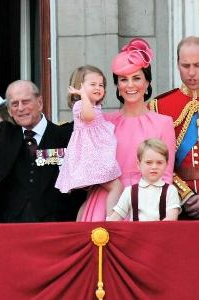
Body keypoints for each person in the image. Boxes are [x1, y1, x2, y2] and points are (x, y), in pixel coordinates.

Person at [0, 55, 86, 223]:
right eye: (14, 104)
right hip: (10, 227)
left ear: (39, 103)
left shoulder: (64, 134)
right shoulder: (5, 135)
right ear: (9, 111)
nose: (21, 108)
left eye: (26, 102)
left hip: (55, 226)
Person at [79, 38, 176, 221]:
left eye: (136, 78)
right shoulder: (104, 121)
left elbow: (166, 176)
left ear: (147, 83)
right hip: (105, 202)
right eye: (124, 79)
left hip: (147, 205)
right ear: (117, 85)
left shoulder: (163, 123)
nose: (130, 85)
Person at [55, 65, 122, 216]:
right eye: (93, 84)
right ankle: (112, 217)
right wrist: (83, 96)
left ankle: (81, 221)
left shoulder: (93, 106)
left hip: (94, 156)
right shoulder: (80, 105)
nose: (98, 88)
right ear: (80, 87)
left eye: (101, 85)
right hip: (90, 159)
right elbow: (89, 117)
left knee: (92, 194)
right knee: (116, 186)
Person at [148, 36, 199, 218]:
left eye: (197, 65)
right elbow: (154, 157)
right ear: (177, 64)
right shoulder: (159, 106)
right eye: (186, 66)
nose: (192, 72)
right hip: (177, 202)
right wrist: (185, 196)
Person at [107, 138, 181, 221]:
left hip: (160, 233)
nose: (154, 167)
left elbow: (172, 217)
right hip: (135, 234)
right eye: (149, 162)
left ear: (166, 164)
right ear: (138, 164)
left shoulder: (171, 191)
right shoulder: (129, 191)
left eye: (159, 162)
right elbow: (116, 217)